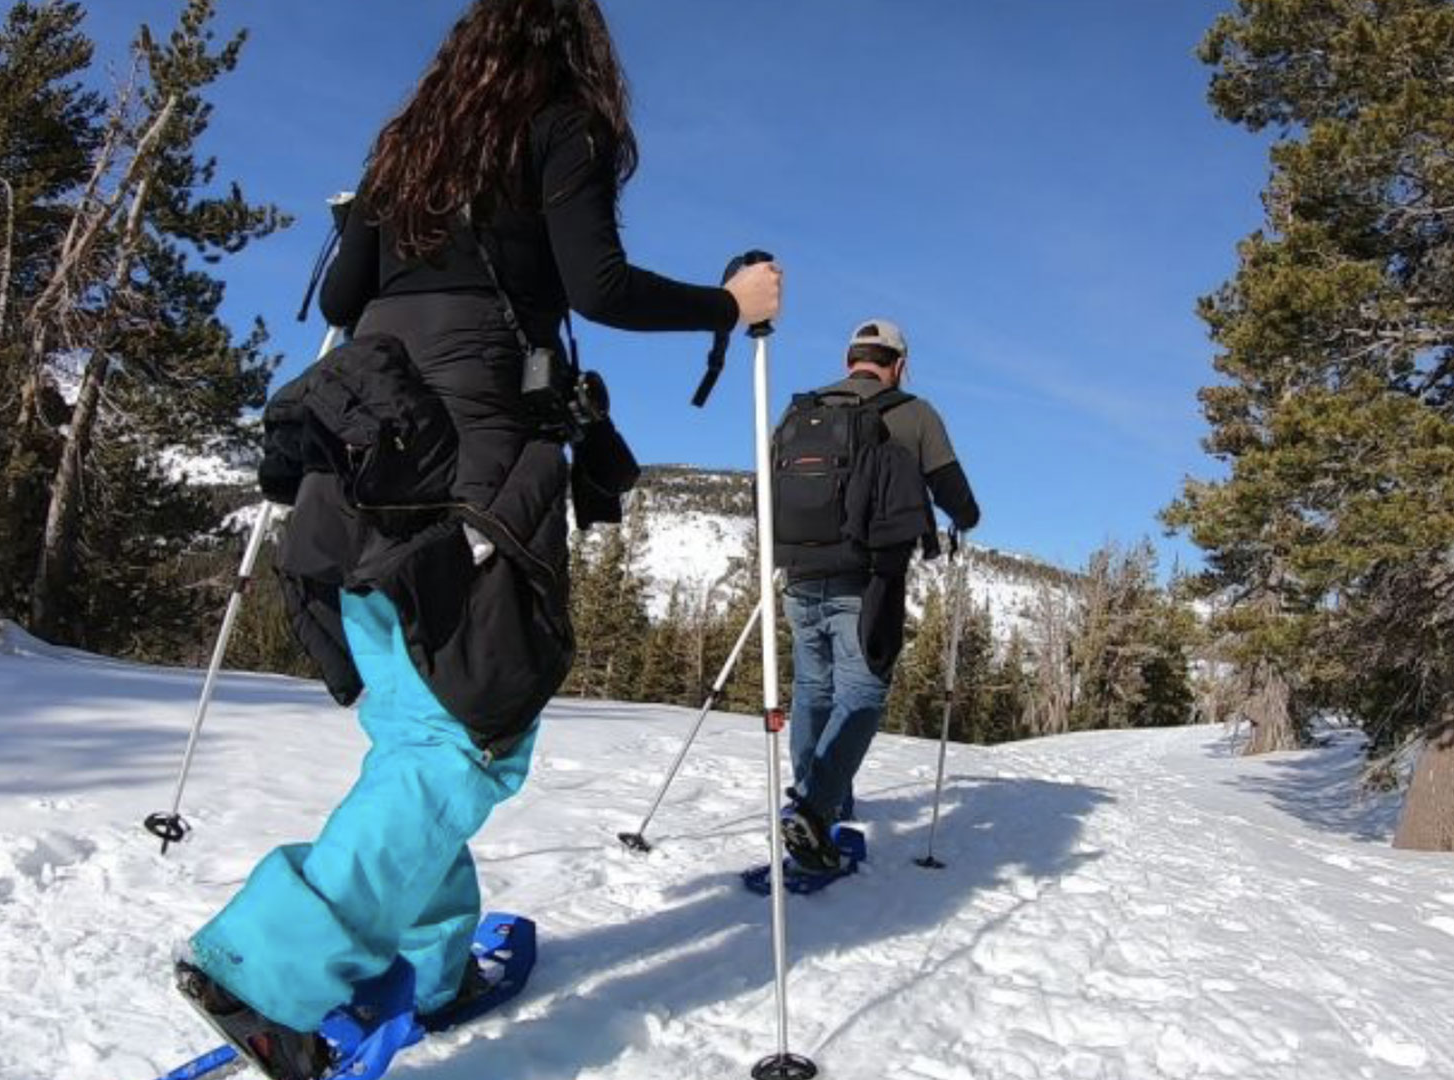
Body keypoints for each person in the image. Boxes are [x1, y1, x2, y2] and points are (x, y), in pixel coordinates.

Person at [175, 2, 781, 1076]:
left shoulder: (409, 143)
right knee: (468, 731)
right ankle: (265, 976)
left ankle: (434, 963)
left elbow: (346, 290)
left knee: (419, 724)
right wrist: (726, 305)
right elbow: (597, 286)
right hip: (470, 452)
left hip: (354, 430)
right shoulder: (562, 122)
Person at [774, 318, 979, 874]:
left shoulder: (802, 412)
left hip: (797, 574)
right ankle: (814, 811)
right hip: (865, 579)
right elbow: (956, 495)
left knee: (813, 690)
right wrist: (964, 520)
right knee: (863, 693)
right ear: (899, 365)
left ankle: (814, 800)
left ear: (849, 361)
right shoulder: (912, 412)